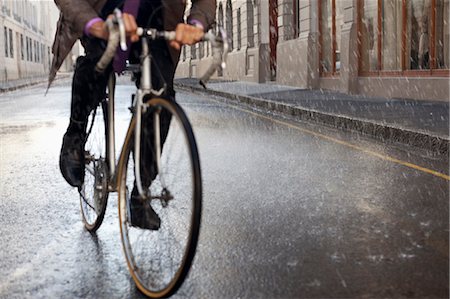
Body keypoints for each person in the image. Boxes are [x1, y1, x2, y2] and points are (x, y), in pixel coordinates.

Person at [48, 0, 216, 230]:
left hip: (158, 14)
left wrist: (196, 24)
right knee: (97, 64)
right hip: (105, 10)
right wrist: (94, 24)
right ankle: (74, 136)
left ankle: (140, 194)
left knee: (161, 97)